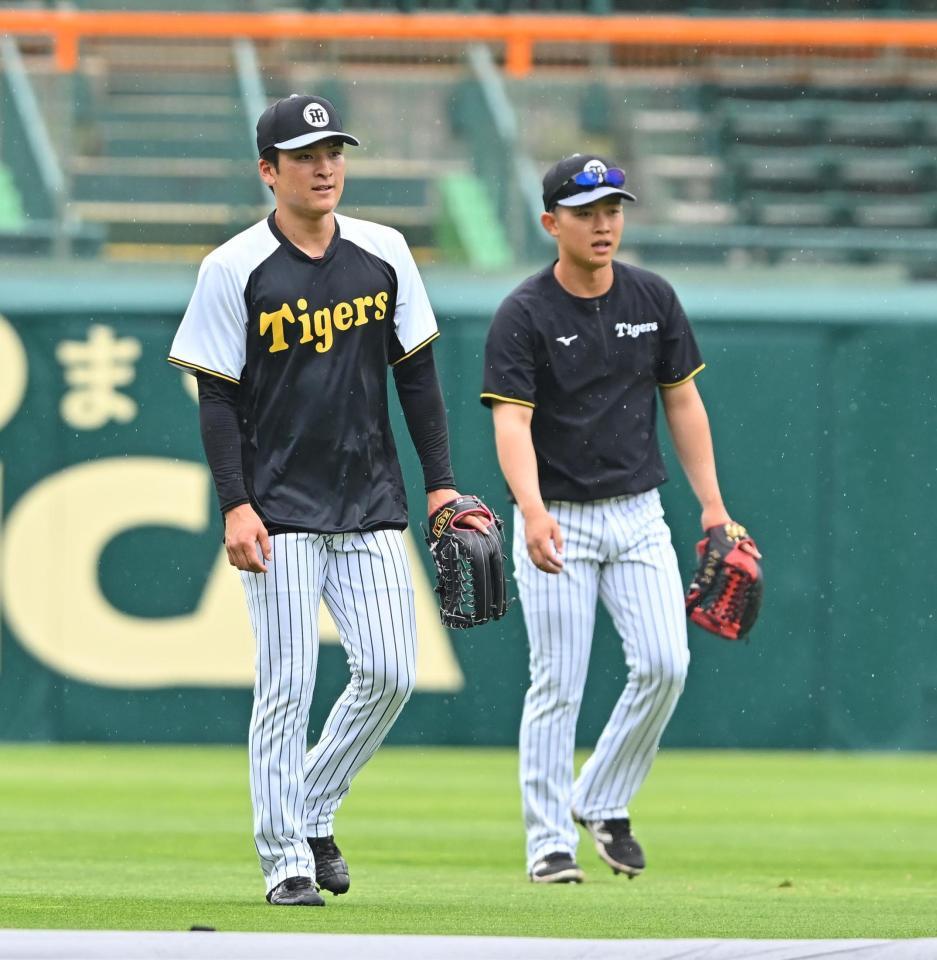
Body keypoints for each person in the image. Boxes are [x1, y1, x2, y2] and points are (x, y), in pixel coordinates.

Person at [169, 94, 483, 906]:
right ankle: (285, 862)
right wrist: (235, 504)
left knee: (389, 671)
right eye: (305, 155)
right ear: (268, 171)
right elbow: (214, 398)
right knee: (286, 685)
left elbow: (415, 374)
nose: (324, 167)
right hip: (276, 507)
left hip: (371, 498)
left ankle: (312, 803)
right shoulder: (232, 266)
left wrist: (440, 479)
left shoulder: (382, 251)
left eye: (334, 151)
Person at [481, 153, 740, 883]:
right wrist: (529, 511)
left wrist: (714, 508)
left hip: (637, 513)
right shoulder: (524, 313)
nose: (603, 224)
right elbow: (510, 422)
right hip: (558, 515)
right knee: (556, 682)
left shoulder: (651, 297)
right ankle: (546, 843)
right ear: (549, 222)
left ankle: (599, 796)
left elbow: (681, 402)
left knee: (666, 663)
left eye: (612, 209)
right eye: (586, 211)